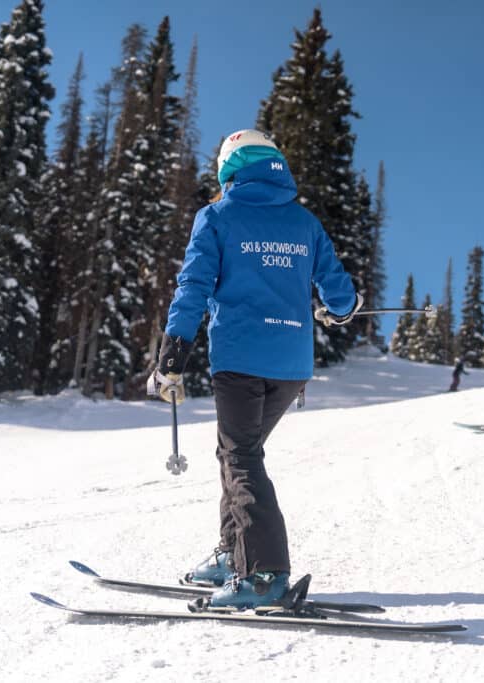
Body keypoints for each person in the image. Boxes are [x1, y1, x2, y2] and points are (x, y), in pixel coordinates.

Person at [150, 129, 361, 609]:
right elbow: (342, 297)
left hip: (241, 358)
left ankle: (265, 573)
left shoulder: (217, 216)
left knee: (241, 456)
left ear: (229, 169)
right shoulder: (304, 223)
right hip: (290, 367)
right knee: (237, 451)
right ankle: (233, 553)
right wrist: (341, 309)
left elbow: (194, 286)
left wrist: (172, 352)